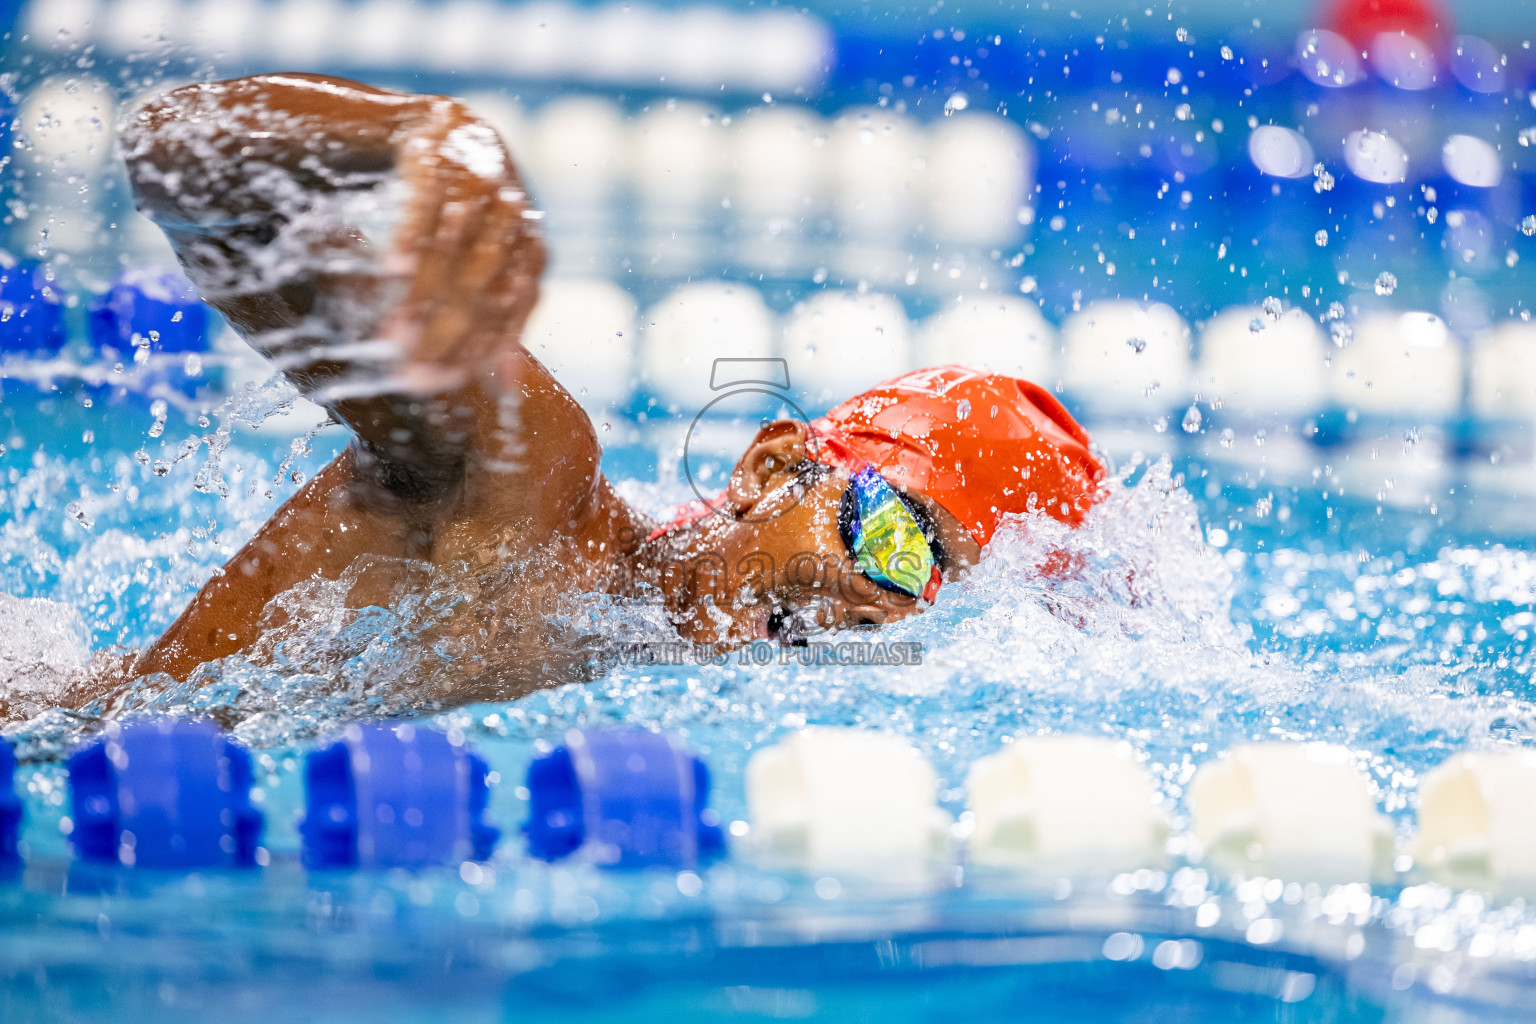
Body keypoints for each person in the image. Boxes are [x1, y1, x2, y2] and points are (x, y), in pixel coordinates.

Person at [117, 73, 1105, 702]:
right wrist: (418, 131)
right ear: (772, 465)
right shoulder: (527, 478)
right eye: (893, 535)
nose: (879, 602)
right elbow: (178, 156)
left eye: (928, 584)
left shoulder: (654, 682)